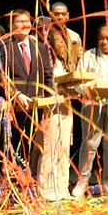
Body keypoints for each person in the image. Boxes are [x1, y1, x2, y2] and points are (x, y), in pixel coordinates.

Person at [0, 9, 54, 183]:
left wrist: (49, 102)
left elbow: (48, 77)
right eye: (20, 21)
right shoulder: (3, 46)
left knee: (31, 147)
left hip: (35, 108)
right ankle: (9, 186)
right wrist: (15, 94)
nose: (25, 24)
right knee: (11, 147)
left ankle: (26, 183)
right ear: (12, 25)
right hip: (11, 108)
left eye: (27, 21)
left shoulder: (40, 47)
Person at [73, 24, 108, 199]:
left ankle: (107, 182)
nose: (104, 42)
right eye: (101, 38)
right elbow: (77, 83)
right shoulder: (89, 55)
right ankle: (83, 181)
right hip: (93, 106)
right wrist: (91, 87)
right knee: (90, 143)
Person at [39, 27, 79, 201]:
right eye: (60, 41)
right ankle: (46, 188)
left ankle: (62, 187)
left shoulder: (62, 62)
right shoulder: (44, 62)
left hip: (66, 105)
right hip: (51, 107)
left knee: (64, 148)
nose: (63, 44)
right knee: (50, 148)